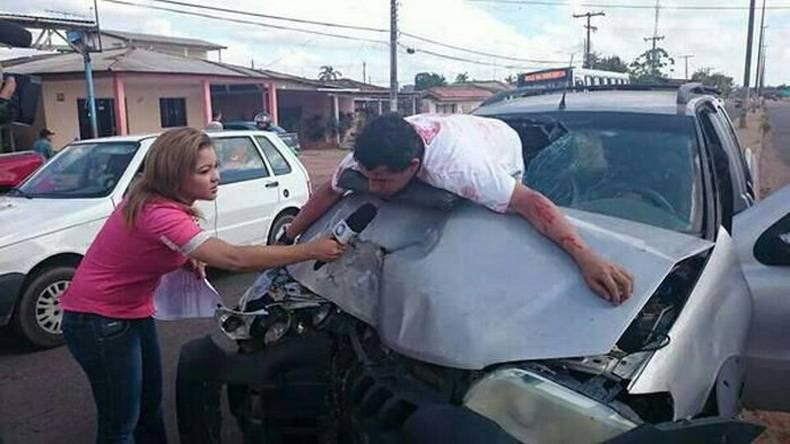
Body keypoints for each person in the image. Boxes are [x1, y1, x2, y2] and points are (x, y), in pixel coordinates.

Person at [59, 127, 345, 444]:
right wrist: (309, 250)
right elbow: (233, 258)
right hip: (99, 320)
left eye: (216, 167)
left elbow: (142, 247)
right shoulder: (158, 213)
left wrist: (186, 257)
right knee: (121, 424)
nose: (216, 177)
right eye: (204, 171)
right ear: (173, 175)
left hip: (129, 313)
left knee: (149, 407)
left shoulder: (154, 200)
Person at [280, 113, 635, 305]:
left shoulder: (462, 170)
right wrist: (288, 238)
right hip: (463, 130)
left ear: (414, 166)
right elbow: (328, 192)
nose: (372, 187)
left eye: (383, 180)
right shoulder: (366, 159)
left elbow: (531, 202)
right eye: (368, 178)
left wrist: (587, 257)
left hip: (501, 143)